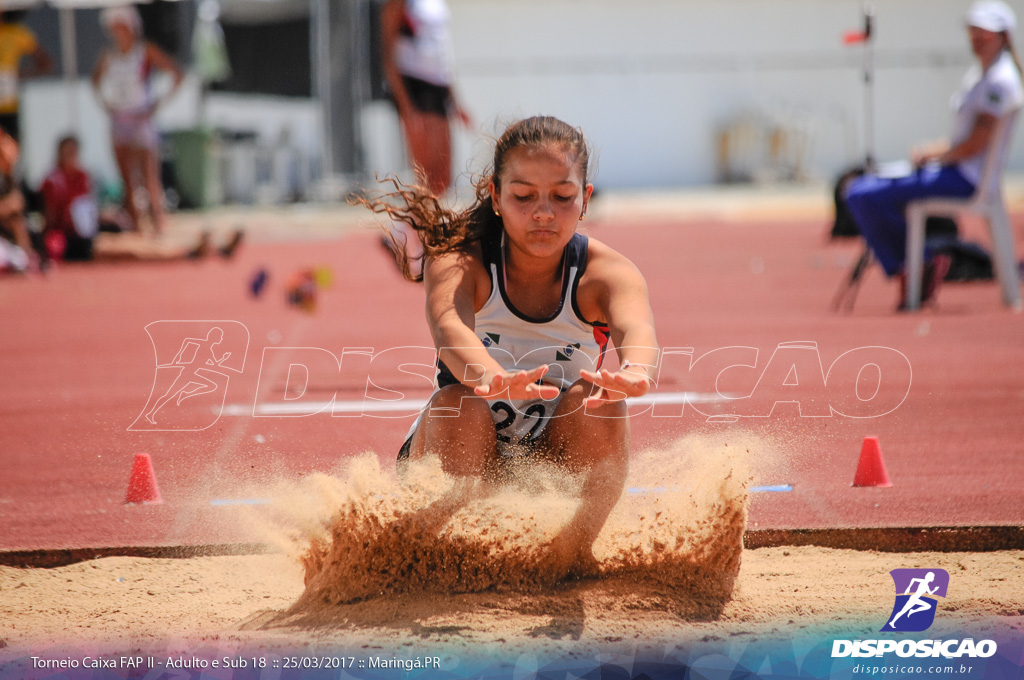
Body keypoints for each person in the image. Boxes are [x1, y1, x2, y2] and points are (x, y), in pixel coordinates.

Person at [361, 116, 659, 582]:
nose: (544, 212)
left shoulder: (608, 272)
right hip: (460, 450)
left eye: (562, 196)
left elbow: (636, 326)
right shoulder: (461, 260)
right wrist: (488, 376)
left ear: (585, 200)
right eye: (524, 197)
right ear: (496, 198)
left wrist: (638, 369)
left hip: (548, 461)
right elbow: (449, 327)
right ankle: (450, 558)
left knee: (601, 404)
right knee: (462, 405)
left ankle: (571, 556)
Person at [845, 0, 1024, 310]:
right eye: (974, 32)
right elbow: (964, 139)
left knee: (862, 193)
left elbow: (975, 144)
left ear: (1004, 36)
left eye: (985, 33)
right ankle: (915, 264)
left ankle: (915, 266)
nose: (978, 39)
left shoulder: (999, 80)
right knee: (866, 188)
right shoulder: (984, 74)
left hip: (963, 178)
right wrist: (933, 152)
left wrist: (936, 155)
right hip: (955, 171)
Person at [39, 134, 242, 264]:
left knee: (138, 240)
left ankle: (214, 248)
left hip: (91, 232)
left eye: (75, 152)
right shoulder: (53, 181)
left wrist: (104, 217)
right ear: (59, 154)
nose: (74, 157)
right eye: (69, 152)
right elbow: (52, 217)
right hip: (74, 241)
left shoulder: (81, 176)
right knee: (131, 250)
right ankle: (187, 252)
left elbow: (85, 211)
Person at [379, 0, 472, 275]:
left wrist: (456, 102)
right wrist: (406, 106)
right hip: (415, 86)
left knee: (442, 178)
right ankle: (417, 243)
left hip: (439, 87)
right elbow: (388, 52)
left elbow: (442, 51)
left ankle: (399, 232)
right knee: (426, 175)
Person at [92, 5, 183, 236]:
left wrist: (157, 104)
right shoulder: (109, 55)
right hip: (120, 119)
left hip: (141, 118)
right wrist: (106, 104)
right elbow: (95, 82)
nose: (117, 32)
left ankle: (158, 223)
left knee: (149, 175)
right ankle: (136, 225)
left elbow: (176, 73)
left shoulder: (144, 51)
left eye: (120, 26)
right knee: (127, 178)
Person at [0, 9, 52, 144]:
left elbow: (46, 64)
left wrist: (18, 75)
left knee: (9, 152)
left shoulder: (16, 33)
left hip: (7, 106)